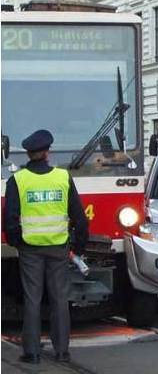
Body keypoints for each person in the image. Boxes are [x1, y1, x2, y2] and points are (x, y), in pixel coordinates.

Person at [4, 129, 89, 364]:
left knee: (32, 298)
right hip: (58, 248)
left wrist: (17, 243)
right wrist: (78, 249)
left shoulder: (18, 180)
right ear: (47, 153)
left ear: (28, 154)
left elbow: (9, 219)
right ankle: (62, 351)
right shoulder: (62, 177)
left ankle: (31, 353)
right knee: (60, 298)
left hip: (30, 249)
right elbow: (80, 218)